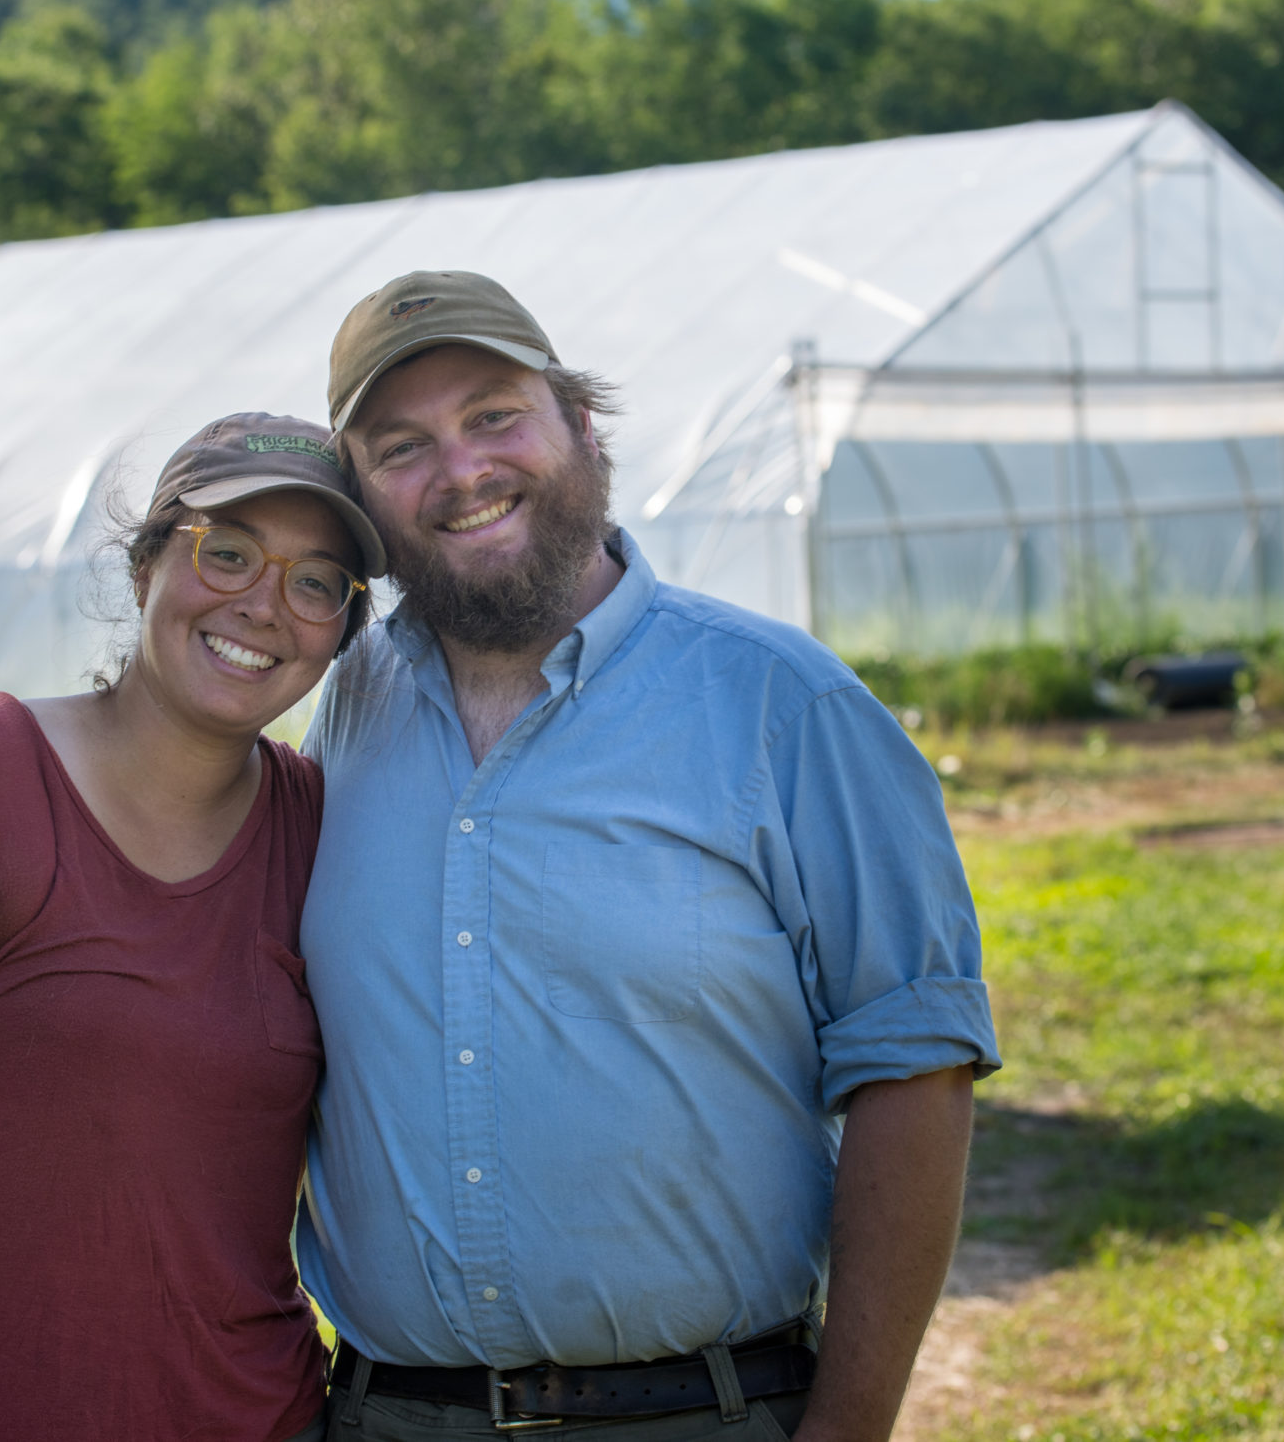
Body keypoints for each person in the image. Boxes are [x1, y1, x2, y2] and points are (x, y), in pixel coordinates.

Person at [298, 272, 1002, 1442]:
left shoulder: (782, 705)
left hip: (702, 1412)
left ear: (580, 423)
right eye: (401, 445)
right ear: (362, 503)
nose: (462, 470)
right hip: (388, 1417)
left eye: (493, 416)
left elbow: (914, 1070)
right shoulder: (341, 717)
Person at [0, 414, 384, 1442]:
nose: (265, 605)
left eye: (316, 581)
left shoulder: (327, 829)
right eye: (227, 552)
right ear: (149, 564)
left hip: (256, 1420)